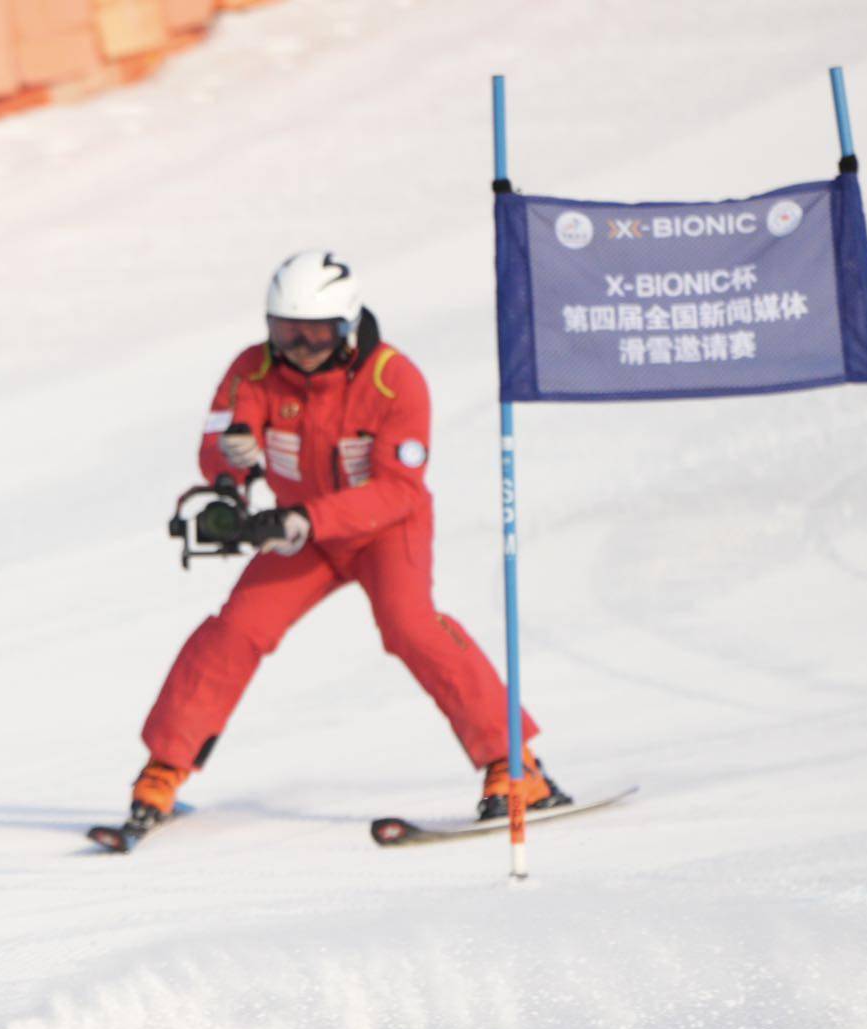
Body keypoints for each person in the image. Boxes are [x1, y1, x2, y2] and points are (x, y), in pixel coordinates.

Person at [123, 250, 568, 835]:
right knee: (235, 631)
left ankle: (515, 766)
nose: (300, 349)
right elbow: (221, 435)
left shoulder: (393, 380)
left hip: (384, 530)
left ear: (349, 327)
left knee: (412, 629)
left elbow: (400, 490)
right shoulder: (253, 370)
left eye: (317, 335)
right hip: (301, 532)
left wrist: (308, 517)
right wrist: (231, 470)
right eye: (287, 333)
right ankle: (162, 772)